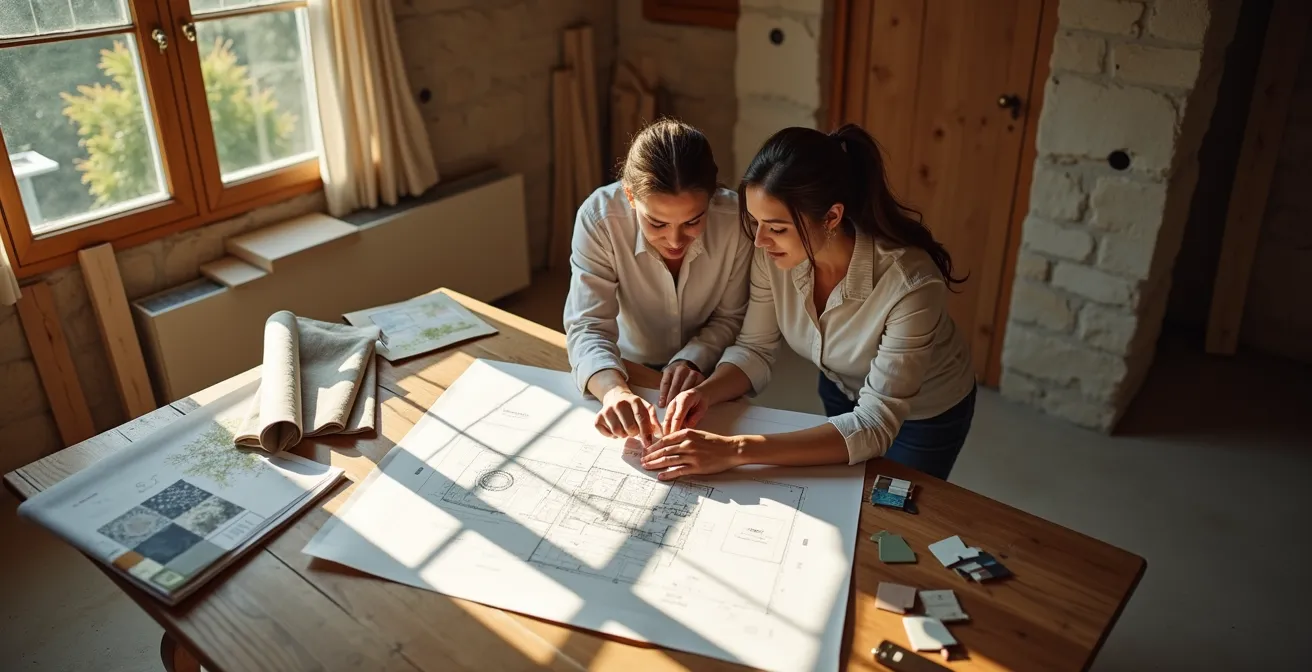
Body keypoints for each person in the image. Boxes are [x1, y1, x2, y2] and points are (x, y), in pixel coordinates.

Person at [645, 124, 977, 481]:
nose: (759, 241)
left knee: (895, 512)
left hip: (925, 413)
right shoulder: (774, 255)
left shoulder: (911, 285)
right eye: (755, 222)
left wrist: (734, 450)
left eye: (776, 227)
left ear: (831, 217)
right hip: (839, 384)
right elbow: (755, 347)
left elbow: (875, 423)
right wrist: (704, 393)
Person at [564, 118, 753, 445]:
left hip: (705, 372)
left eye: (694, 220)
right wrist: (613, 392)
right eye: (657, 222)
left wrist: (693, 356)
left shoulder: (737, 223)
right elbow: (589, 324)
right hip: (624, 364)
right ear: (630, 195)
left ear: (713, 196)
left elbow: (731, 317)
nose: (676, 239)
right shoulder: (599, 219)